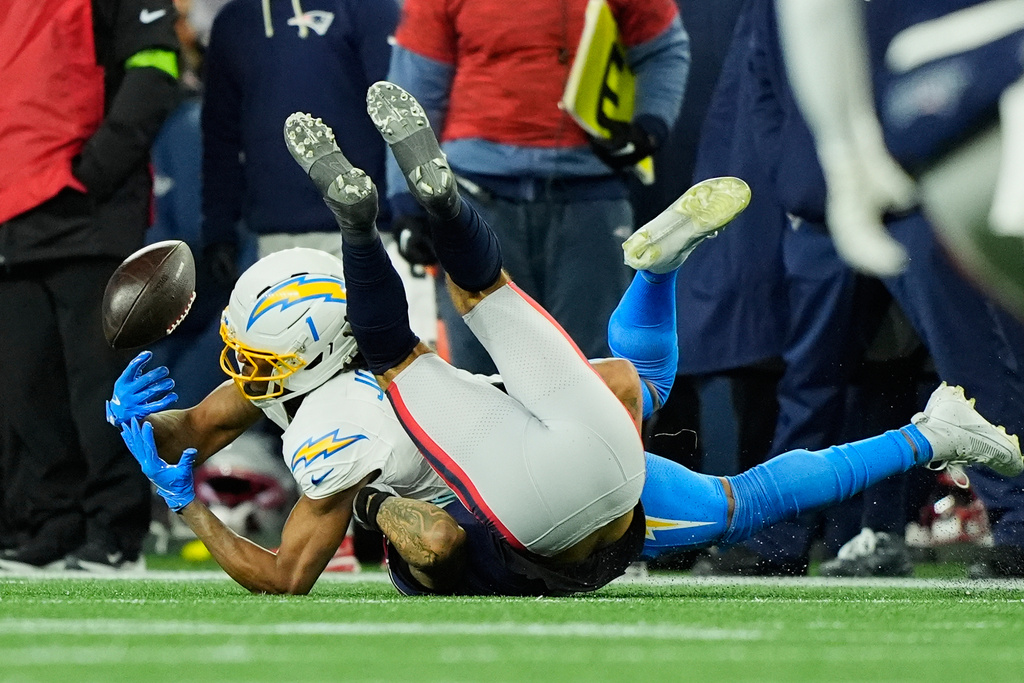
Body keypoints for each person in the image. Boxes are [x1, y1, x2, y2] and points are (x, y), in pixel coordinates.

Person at [111, 83, 1022, 595]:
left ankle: (932, 432)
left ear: (312, 352)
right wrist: (144, 421)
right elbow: (197, 420)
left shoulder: (327, 419)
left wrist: (182, 496)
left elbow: (289, 570)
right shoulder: (314, 359)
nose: (244, 372)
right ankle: (639, 267)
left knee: (737, 498)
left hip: (535, 503)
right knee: (618, 372)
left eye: (258, 358)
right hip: (535, 407)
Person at [384, 0, 691, 375]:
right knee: (485, 379)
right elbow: (413, 92)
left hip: (587, 197)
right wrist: (407, 202)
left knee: (596, 372)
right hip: (478, 198)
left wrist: (650, 124)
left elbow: (662, 50)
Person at [0, 0, 181, 572]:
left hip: (87, 214)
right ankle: (52, 525)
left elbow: (156, 72)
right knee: (27, 389)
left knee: (100, 387)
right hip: (14, 214)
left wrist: (92, 172)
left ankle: (116, 531)